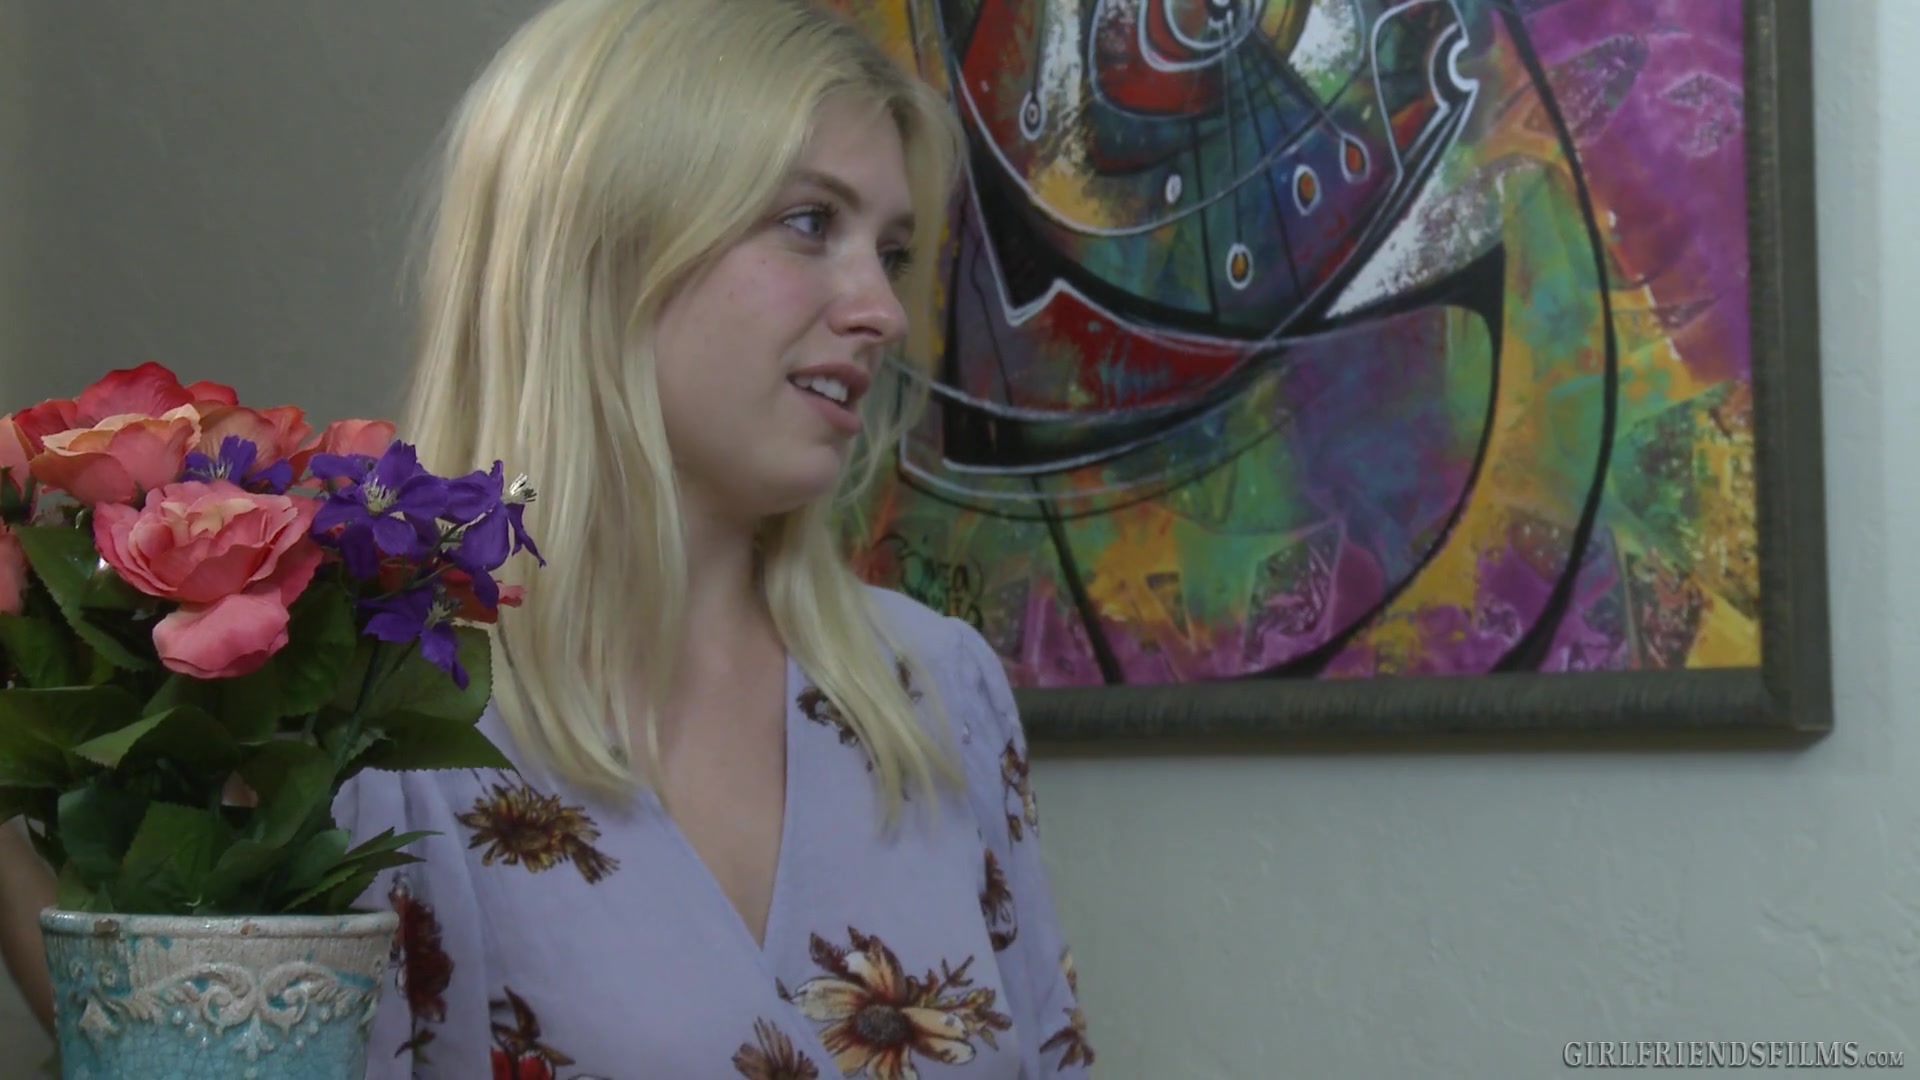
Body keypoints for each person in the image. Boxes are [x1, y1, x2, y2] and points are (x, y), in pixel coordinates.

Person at [352, 0, 1096, 1075]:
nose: (883, 311)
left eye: (891, 253)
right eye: (811, 222)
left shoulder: (941, 696)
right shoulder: (381, 725)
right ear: (602, 241)